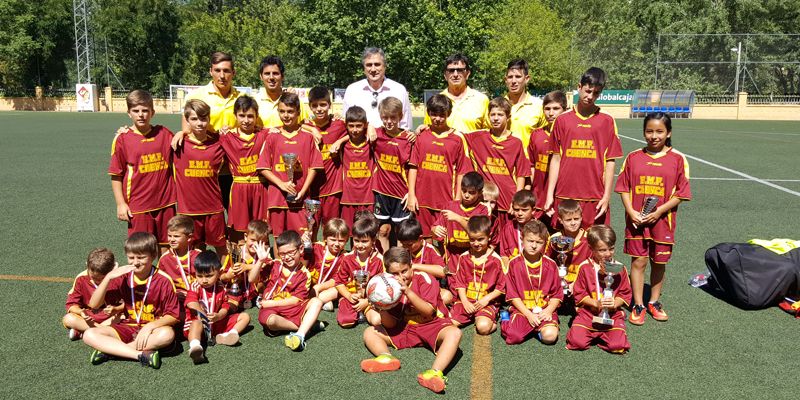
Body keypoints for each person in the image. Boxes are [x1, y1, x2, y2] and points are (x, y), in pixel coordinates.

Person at [615, 112, 691, 325]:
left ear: (668, 133)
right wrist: (631, 211)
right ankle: (638, 304)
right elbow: (623, 188)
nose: (654, 136)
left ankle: (654, 302)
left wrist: (658, 212)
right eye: (649, 131)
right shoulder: (633, 157)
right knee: (638, 261)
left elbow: (681, 194)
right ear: (644, 132)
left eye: (659, 131)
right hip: (637, 221)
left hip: (662, 222)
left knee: (659, 262)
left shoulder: (678, 159)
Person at [360, 247, 462, 394]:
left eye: (404, 271)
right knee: (370, 331)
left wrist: (407, 291)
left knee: (455, 333)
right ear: (387, 273)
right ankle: (386, 358)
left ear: (411, 266)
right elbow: (392, 324)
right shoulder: (386, 286)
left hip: (432, 324)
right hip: (406, 327)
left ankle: (434, 373)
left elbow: (428, 312)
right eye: (394, 273)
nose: (401, 276)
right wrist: (381, 307)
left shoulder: (425, 279)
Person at [82, 232, 179, 369]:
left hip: (152, 330)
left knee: (167, 334)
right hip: (128, 326)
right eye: (131, 257)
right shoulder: (123, 277)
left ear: (153, 256)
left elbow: (173, 315)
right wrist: (109, 277)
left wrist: (149, 326)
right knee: (89, 334)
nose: (135, 262)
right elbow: (94, 304)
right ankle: (139, 355)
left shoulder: (163, 280)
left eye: (141, 257)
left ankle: (111, 351)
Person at [545, 67, 623, 229]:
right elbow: (556, 159)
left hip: (594, 195)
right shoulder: (562, 120)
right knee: (564, 243)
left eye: (596, 93)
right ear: (579, 87)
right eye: (587, 91)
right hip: (564, 193)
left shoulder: (606, 120)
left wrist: (607, 195)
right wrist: (549, 194)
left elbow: (610, 161)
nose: (590, 96)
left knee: (594, 244)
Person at [108, 89, 175, 251]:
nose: (141, 115)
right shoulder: (122, 138)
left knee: (167, 250)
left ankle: (164, 277)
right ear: (128, 113)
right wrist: (120, 204)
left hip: (166, 203)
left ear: (152, 112)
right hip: (138, 206)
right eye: (136, 111)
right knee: (140, 251)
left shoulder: (164, 134)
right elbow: (116, 175)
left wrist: (181, 133)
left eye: (145, 110)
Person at [257, 92, 324, 237]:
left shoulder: (308, 137)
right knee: (278, 238)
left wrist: (303, 191)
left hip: (301, 198)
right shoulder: (272, 137)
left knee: (302, 239)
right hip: (277, 198)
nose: (286, 115)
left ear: (298, 112)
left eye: (290, 111)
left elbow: (314, 167)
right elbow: (263, 168)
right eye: (282, 111)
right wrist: (281, 184)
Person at [407, 94, 470, 238]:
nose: (437, 118)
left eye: (442, 115)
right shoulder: (421, 136)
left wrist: (457, 200)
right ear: (428, 113)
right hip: (422, 200)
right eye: (433, 114)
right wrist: (411, 194)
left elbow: (461, 172)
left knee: (445, 241)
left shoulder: (457, 139)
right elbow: (413, 167)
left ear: (448, 114)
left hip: (446, 201)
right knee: (424, 240)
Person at [283, 218, 350, 351]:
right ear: (325, 237)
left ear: (347, 240)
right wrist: (303, 242)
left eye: (341, 240)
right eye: (333, 239)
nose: (337, 244)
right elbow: (302, 260)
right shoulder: (316, 247)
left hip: (325, 288)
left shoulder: (345, 256)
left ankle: (318, 302)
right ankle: (316, 306)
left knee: (338, 289)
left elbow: (336, 279)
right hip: (309, 284)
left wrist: (319, 287)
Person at [173, 100, 228, 258]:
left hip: (213, 208)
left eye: (204, 119)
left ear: (209, 119)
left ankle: (226, 279)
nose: (200, 123)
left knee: (222, 248)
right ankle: (197, 281)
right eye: (194, 119)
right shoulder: (178, 143)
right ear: (187, 120)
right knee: (194, 250)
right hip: (188, 210)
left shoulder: (219, 143)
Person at [566, 225, 632, 354]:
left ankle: (606, 334)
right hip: (588, 314)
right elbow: (579, 294)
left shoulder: (619, 268)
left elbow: (625, 293)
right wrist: (596, 303)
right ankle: (597, 335)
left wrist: (615, 303)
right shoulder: (584, 267)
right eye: (602, 250)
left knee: (617, 346)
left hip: (612, 314)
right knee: (576, 342)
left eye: (611, 249)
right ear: (591, 249)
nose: (607, 254)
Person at [463, 97, 531, 220]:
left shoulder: (516, 142)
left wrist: (516, 200)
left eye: (500, 114)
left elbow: (522, 174)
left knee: (506, 237)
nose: (495, 118)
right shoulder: (478, 137)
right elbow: (454, 136)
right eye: (492, 114)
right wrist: (427, 127)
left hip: (507, 201)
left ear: (508, 117)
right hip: (484, 201)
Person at [501, 220, 562, 345]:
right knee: (513, 337)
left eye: (539, 242)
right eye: (530, 241)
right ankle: (506, 319)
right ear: (522, 239)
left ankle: (536, 329)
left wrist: (549, 310)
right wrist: (528, 314)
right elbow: (512, 295)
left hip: (543, 309)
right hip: (523, 310)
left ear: (545, 244)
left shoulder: (551, 265)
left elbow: (557, 294)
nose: (534, 246)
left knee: (550, 337)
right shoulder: (514, 264)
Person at [218, 95, 269, 244]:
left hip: (260, 187)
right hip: (239, 189)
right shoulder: (226, 137)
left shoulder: (265, 134)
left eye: (250, 116)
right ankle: (237, 264)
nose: (246, 120)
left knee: (261, 232)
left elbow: (291, 127)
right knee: (238, 234)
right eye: (241, 115)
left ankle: (263, 265)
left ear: (256, 116)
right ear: (235, 116)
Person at [185, 251, 251, 364]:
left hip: (216, 323)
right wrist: (203, 315)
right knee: (196, 323)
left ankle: (227, 335)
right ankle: (196, 347)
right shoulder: (195, 286)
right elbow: (191, 303)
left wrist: (219, 315)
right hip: (199, 325)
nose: (204, 280)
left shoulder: (221, 287)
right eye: (199, 276)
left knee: (245, 317)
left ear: (219, 273)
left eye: (209, 276)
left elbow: (226, 305)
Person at [450, 216, 505, 335]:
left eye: (480, 239)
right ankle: (472, 316)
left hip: (486, 303)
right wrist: (464, 301)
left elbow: (501, 288)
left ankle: (491, 318)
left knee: (483, 328)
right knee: (448, 325)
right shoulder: (464, 258)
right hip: (467, 301)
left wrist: (486, 299)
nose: (476, 243)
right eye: (472, 239)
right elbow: (459, 283)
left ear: (489, 237)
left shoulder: (496, 260)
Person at [371, 97, 414, 250]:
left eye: (393, 117)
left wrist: (411, 193)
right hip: (381, 192)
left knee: (401, 232)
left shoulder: (408, 139)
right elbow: (352, 124)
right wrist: (369, 126)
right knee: (382, 230)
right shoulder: (376, 134)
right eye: (385, 117)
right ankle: (385, 264)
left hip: (401, 195)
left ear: (400, 117)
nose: (389, 121)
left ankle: (400, 263)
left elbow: (414, 169)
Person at [256, 230, 312, 335]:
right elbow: (252, 279)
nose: (286, 257)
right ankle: (304, 326)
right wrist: (260, 261)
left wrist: (272, 303)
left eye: (290, 252)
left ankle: (289, 327)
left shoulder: (305, 274)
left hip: (291, 308)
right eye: (282, 254)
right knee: (269, 320)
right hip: (272, 309)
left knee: (316, 302)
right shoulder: (275, 264)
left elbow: (296, 300)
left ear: (300, 249)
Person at [307, 86, 348, 227]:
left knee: (331, 230)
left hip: (333, 189)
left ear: (329, 105)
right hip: (312, 190)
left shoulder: (339, 124)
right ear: (310, 107)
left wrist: (340, 141)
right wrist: (311, 128)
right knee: (310, 229)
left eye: (323, 105)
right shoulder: (306, 126)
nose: (319, 109)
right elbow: (292, 127)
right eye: (315, 105)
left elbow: (360, 130)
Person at [332, 218, 384, 327]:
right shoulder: (347, 258)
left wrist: (368, 302)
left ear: (374, 240)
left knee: (377, 321)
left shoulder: (380, 260)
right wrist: (348, 296)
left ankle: (365, 311)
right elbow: (339, 282)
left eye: (364, 241)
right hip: (352, 295)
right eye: (356, 240)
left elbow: (383, 287)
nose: (360, 245)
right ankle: (343, 303)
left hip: (372, 299)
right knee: (346, 322)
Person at [342, 47, 412, 130]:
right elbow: (346, 122)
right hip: (362, 142)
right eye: (369, 65)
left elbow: (405, 125)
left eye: (377, 64)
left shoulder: (399, 90)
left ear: (385, 66)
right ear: (364, 68)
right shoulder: (352, 90)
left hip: (391, 142)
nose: (373, 69)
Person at [63, 248, 123, 340]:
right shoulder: (81, 278)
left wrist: (116, 309)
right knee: (68, 319)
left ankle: (84, 332)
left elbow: (130, 303)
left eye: (101, 279)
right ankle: (104, 332)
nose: (97, 281)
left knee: (125, 317)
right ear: (87, 266)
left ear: (111, 271)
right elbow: (71, 304)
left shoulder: (120, 278)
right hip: (90, 318)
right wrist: (81, 312)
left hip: (112, 317)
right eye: (93, 277)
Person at [431, 171, 490, 263]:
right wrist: (435, 230)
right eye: (464, 190)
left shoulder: (483, 210)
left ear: (480, 193)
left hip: (472, 259)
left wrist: (458, 218)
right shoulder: (449, 206)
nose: (466, 195)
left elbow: (476, 232)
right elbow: (434, 232)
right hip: (452, 259)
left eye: (471, 192)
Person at [423, 53, 489, 134]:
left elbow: (489, 133)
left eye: (460, 70)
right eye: (451, 71)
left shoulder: (482, 100)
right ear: (445, 75)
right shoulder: (435, 101)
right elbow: (428, 131)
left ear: (467, 74)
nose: (455, 74)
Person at [528, 91, 567, 222]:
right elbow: (532, 166)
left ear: (565, 110)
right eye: (547, 109)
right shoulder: (536, 134)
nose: (551, 113)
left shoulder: (570, 135)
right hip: (538, 199)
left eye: (556, 108)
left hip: (561, 200)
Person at [396, 219, 451, 305]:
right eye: (403, 244)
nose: (406, 247)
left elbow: (442, 272)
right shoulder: (403, 251)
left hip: (427, 289)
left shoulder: (430, 250)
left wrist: (415, 266)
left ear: (421, 238)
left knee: (447, 296)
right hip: (408, 287)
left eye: (409, 244)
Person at [221, 220, 272, 309]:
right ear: (245, 237)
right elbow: (221, 277)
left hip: (256, 291)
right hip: (237, 291)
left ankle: (260, 298)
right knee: (230, 307)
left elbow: (267, 267)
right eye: (252, 240)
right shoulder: (235, 253)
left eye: (260, 242)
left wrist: (247, 267)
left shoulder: (264, 254)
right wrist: (228, 275)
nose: (255, 244)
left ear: (266, 241)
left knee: (265, 279)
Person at [544, 200, 592, 295]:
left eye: (576, 219)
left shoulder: (589, 240)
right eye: (568, 220)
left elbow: (592, 268)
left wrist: (576, 285)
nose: (573, 223)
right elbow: (546, 262)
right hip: (558, 284)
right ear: (560, 220)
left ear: (581, 218)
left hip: (582, 284)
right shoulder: (554, 239)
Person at [338, 106, 375, 226]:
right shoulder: (343, 145)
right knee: (349, 234)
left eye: (358, 126)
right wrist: (339, 141)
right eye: (351, 126)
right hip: (348, 198)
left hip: (368, 198)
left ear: (365, 125)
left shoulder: (372, 142)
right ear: (346, 125)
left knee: (368, 233)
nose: (355, 130)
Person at [254, 55, 311, 128]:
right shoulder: (254, 102)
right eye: (267, 74)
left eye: (275, 73)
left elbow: (306, 126)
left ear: (282, 76)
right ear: (261, 77)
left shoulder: (295, 101)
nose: (271, 77)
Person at [157, 215, 201, 304]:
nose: (171, 240)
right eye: (169, 236)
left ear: (189, 237)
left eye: (176, 236)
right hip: (176, 299)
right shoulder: (164, 259)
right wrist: (174, 293)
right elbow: (159, 283)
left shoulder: (199, 255)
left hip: (198, 297)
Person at [504, 59, 546, 149]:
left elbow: (545, 139)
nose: (513, 81)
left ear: (526, 79)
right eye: (510, 77)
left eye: (518, 77)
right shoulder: (498, 106)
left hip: (528, 162)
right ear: (505, 80)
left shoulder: (539, 106)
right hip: (501, 161)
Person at [498, 190, 538, 268]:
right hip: (513, 270)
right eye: (516, 210)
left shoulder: (540, 229)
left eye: (524, 210)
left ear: (533, 210)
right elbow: (504, 256)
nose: (519, 213)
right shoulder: (508, 228)